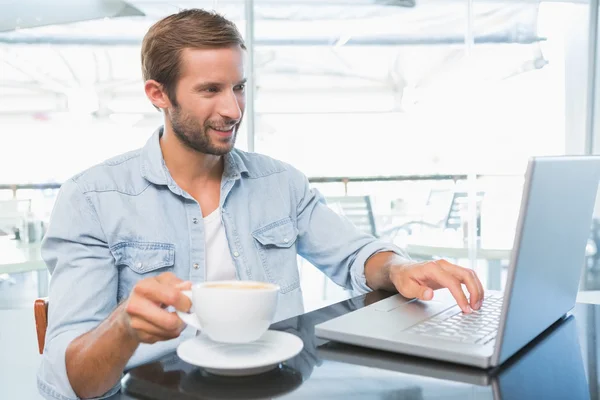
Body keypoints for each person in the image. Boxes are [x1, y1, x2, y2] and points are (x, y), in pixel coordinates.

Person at [37, 9, 484, 400]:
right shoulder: (91, 199)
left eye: (239, 87)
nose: (233, 109)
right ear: (158, 94)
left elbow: (356, 255)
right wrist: (123, 327)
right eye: (211, 89)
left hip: (278, 387)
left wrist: (398, 269)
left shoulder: (280, 182)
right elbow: (72, 381)